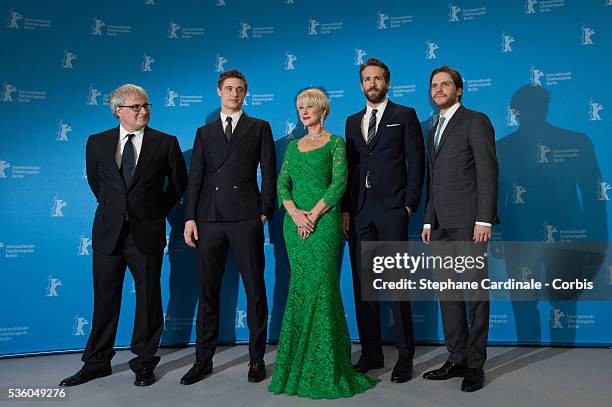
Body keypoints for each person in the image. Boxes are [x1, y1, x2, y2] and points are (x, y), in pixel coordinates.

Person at [60, 84, 188, 387]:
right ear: (118, 110)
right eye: (136, 107)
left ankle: (144, 362)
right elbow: (97, 183)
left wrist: (155, 210)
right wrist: (115, 209)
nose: (144, 111)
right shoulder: (97, 142)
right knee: (104, 298)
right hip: (108, 232)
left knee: (148, 300)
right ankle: (96, 362)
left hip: (146, 232)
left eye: (147, 106)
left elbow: (179, 184)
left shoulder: (165, 142)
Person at [269, 88, 378, 398]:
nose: (305, 112)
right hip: (294, 226)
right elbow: (282, 185)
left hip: (324, 224)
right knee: (301, 288)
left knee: (323, 287)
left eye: (310, 107)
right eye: (301, 107)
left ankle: (328, 364)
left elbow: (339, 183)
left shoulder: (335, 144)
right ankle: (296, 364)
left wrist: (313, 216)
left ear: (323, 111)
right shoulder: (292, 148)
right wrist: (295, 214)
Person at [182, 69, 276, 385]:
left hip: (245, 218)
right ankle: (202, 360)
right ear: (218, 91)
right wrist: (190, 217)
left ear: (245, 93)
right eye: (228, 88)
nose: (234, 93)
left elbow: (269, 172)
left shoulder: (259, 127)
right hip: (208, 220)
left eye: (239, 89)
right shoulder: (204, 133)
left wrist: (263, 213)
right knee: (208, 293)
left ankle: (256, 359)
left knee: (254, 290)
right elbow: (195, 178)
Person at [341, 58, 425, 383]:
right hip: (359, 211)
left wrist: (408, 205)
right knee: (365, 287)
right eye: (366, 79)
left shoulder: (404, 116)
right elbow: (349, 169)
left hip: (392, 210)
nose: (372, 84)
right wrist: (347, 209)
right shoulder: (351, 122)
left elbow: (416, 163)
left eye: (377, 79)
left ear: (388, 83)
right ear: (361, 84)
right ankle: (372, 353)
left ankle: (405, 356)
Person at [421, 66, 499, 392]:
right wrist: (427, 218)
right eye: (435, 86)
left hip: (469, 224)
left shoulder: (475, 120)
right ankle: (456, 358)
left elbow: (487, 171)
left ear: (459, 90)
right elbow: (433, 179)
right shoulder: (432, 128)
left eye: (445, 85)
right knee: (448, 293)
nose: (439, 90)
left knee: (476, 295)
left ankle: (475, 365)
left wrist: (484, 219)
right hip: (438, 224)